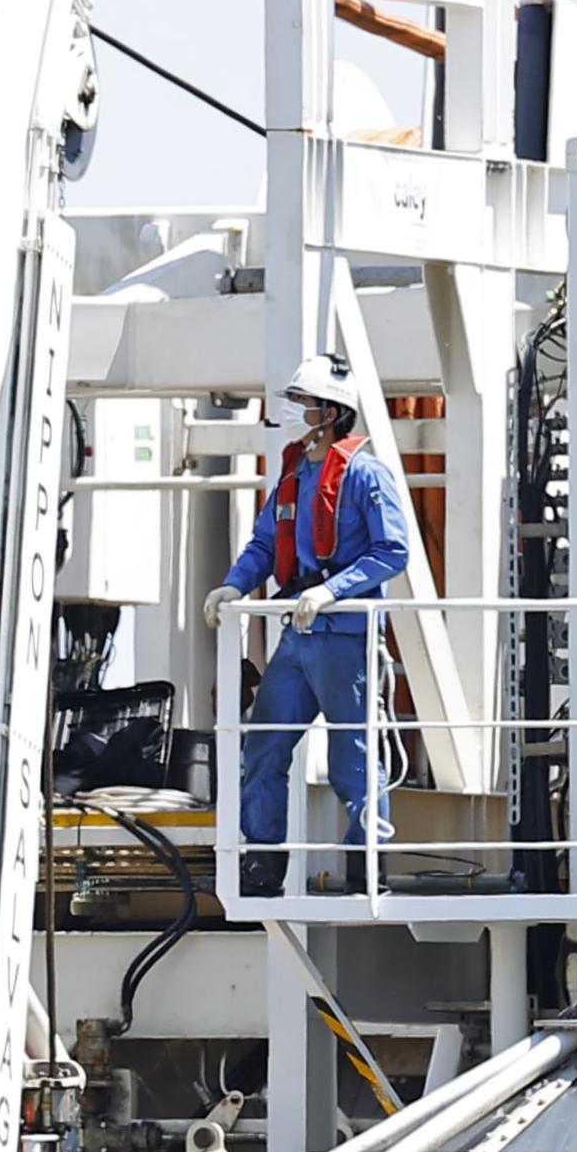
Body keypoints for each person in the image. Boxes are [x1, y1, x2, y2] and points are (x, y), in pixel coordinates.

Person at [203, 355, 410, 897]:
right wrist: (233, 584)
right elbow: (268, 544)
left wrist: (331, 591)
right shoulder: (295, 473)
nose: (295, 412)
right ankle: (264, 862)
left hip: (344, 637)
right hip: (297, 636)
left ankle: (365, 867)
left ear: (332, 412)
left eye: (305, 402)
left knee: (354, 757)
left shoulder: (366, 473)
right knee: (265, 746)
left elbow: (393, 551)